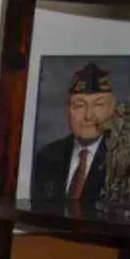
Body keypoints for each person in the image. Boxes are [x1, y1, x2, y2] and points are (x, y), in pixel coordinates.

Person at [30, 63, 117, 206]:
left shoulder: (122, 161)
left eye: (98, 105)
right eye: (79, 105)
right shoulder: (47, 156)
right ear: (67, 110)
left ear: (112, 111)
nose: (89, 116)